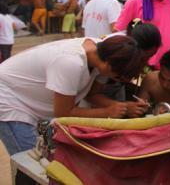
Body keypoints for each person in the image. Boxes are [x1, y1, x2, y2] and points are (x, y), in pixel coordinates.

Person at [0, 35, 144, 155]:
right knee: (29, 159)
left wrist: (122, 106)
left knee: (44, 156)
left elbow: (92, 95)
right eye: (117, 77)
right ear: (109, 65)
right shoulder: (71, 62)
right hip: (9, 98)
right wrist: (106, 112)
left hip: (28, 98)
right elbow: (63, 113)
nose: (115, 80)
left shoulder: (102, 53)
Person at [85, 19, 162, 111]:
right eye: (144, 58)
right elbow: (91, 95)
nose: (147, 62)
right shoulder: (114, 55)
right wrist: (124, 106)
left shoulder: (129, 49)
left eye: (151, 56)